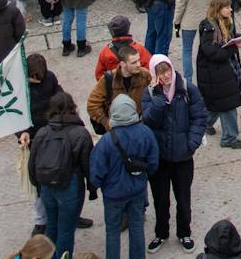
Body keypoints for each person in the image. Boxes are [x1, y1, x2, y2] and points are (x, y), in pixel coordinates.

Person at [143, 54, 210, 252]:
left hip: (183, 157)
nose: (165, 76)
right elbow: (148, 120)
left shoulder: (187, 89)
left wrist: (191, 143)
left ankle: (184, 233)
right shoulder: (149, 93)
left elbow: (200, 117)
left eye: (168, 71)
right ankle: (161, 233)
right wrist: (158, 99)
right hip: (160, 159)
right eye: (160, 72)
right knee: (160, 199)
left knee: (183, 198)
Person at [90, 91, 160, 259]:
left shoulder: (107, 140)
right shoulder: (145, 132)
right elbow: (153, 163)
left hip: (113, 194)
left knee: (112, 232)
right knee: (136, 228)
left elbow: (96, 171)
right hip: (137, 190)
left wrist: (98, 185)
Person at [27, 91, 94, 259]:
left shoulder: (42, 132)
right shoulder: (81, 133)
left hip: (47, 186)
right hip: (70, 186)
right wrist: (92, 188)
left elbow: (32, 163)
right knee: (66, 229)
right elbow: (88, 165)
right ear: (73, 108)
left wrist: (38, 186)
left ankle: (47, 255)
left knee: (52, 225)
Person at [197, 0, 241, 149]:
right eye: (227, 7)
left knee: (216, 104)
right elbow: (212, 52)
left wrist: (235, 38)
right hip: (216, 74)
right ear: (218, 9)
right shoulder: (210, 29)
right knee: (228, 105)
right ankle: (229, 138)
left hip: (222, 73)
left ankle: (203, 124)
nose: (231, 10)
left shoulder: (226, 23)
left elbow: (226, 41)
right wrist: (232, 47)